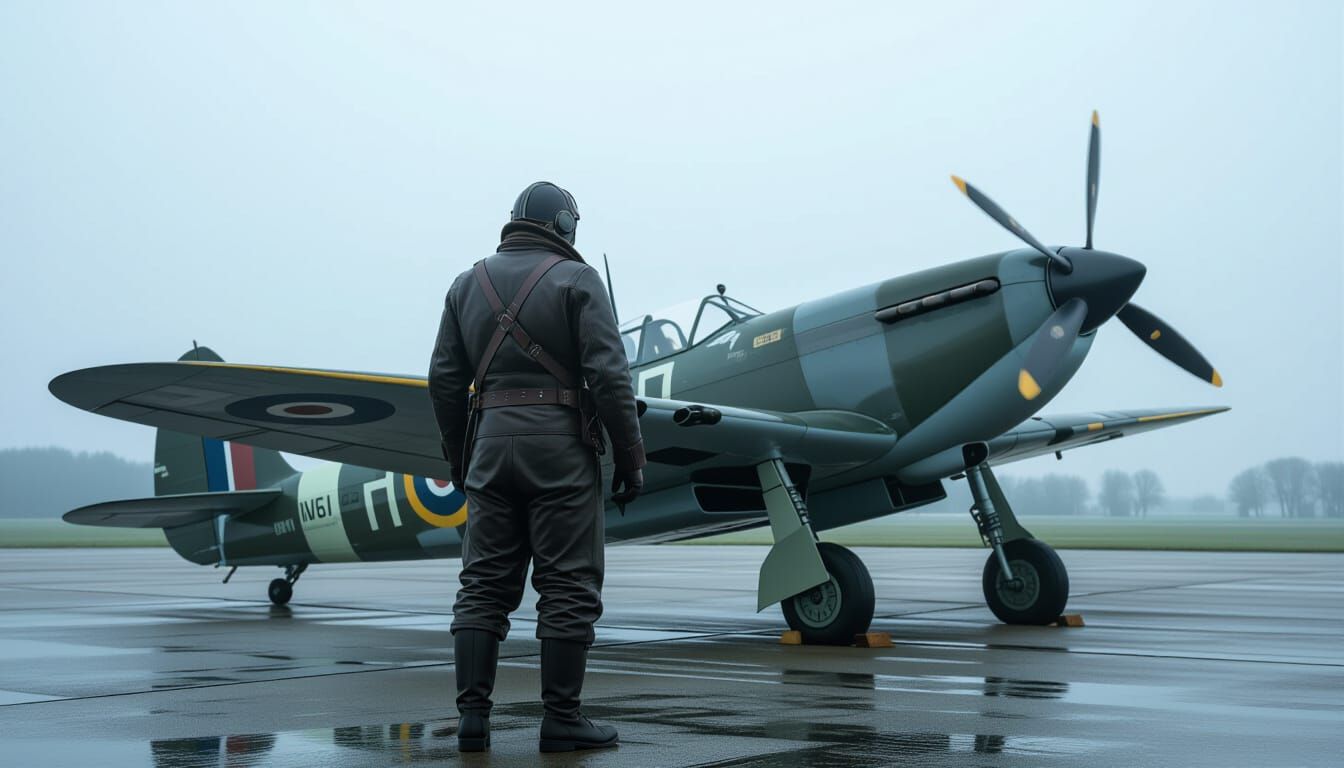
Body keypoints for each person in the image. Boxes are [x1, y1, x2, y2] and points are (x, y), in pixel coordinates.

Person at [428, 181, 646, 753]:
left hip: (488, 448)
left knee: (482, 585)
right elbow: (610, 377)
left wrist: (461, 457)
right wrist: (630, 458)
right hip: (560, 450)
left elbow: (444, 382)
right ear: (566, 226)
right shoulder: (578, 280)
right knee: (568, 583)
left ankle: (473, 720)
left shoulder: (465, 285)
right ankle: (562, 720)